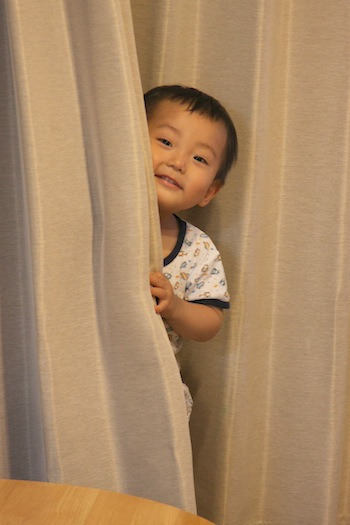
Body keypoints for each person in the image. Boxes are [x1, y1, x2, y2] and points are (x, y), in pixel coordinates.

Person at [145, 85, 238, 417]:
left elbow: (211, 321)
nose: (178, 162)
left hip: (152, 393)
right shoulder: (101, 218)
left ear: (210, 191)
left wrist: (176, 308)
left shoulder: (198, 249)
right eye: (166, 142)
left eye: (200, 158)